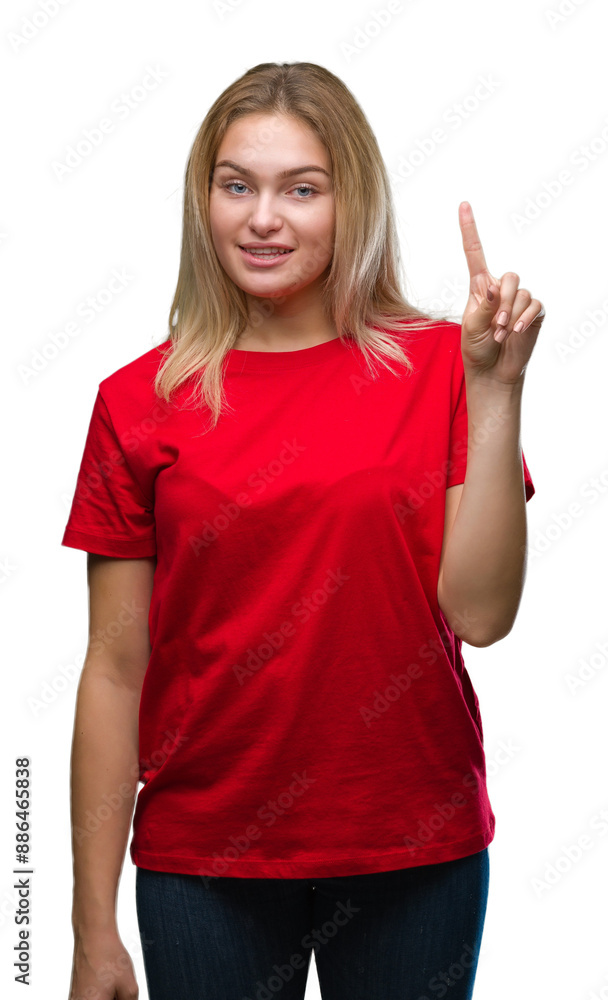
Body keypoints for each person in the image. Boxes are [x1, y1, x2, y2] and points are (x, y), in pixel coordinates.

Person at [63, 61, 544, 1000]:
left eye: (302, 189)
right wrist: (91, 932)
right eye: (237, 185)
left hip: (414, 847)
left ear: (350, 201)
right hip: (204, 861)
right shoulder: (137, 404)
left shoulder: (448, 365)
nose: (263, 218)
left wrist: (499, 389)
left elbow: (482, 616)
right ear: (204, 199)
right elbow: (116, 669)